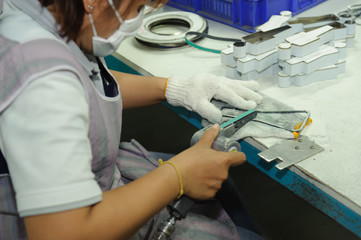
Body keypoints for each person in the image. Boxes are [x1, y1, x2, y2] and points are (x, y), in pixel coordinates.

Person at [0, 0, 264, 239]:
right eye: (137, 8)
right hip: (78, 223)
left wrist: (173, 89)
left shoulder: (37, 13)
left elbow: (83, 81)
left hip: (97, 178)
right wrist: (177, 176)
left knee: (223, 188)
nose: (137, 20)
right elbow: (65, 232)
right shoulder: (43, 82)